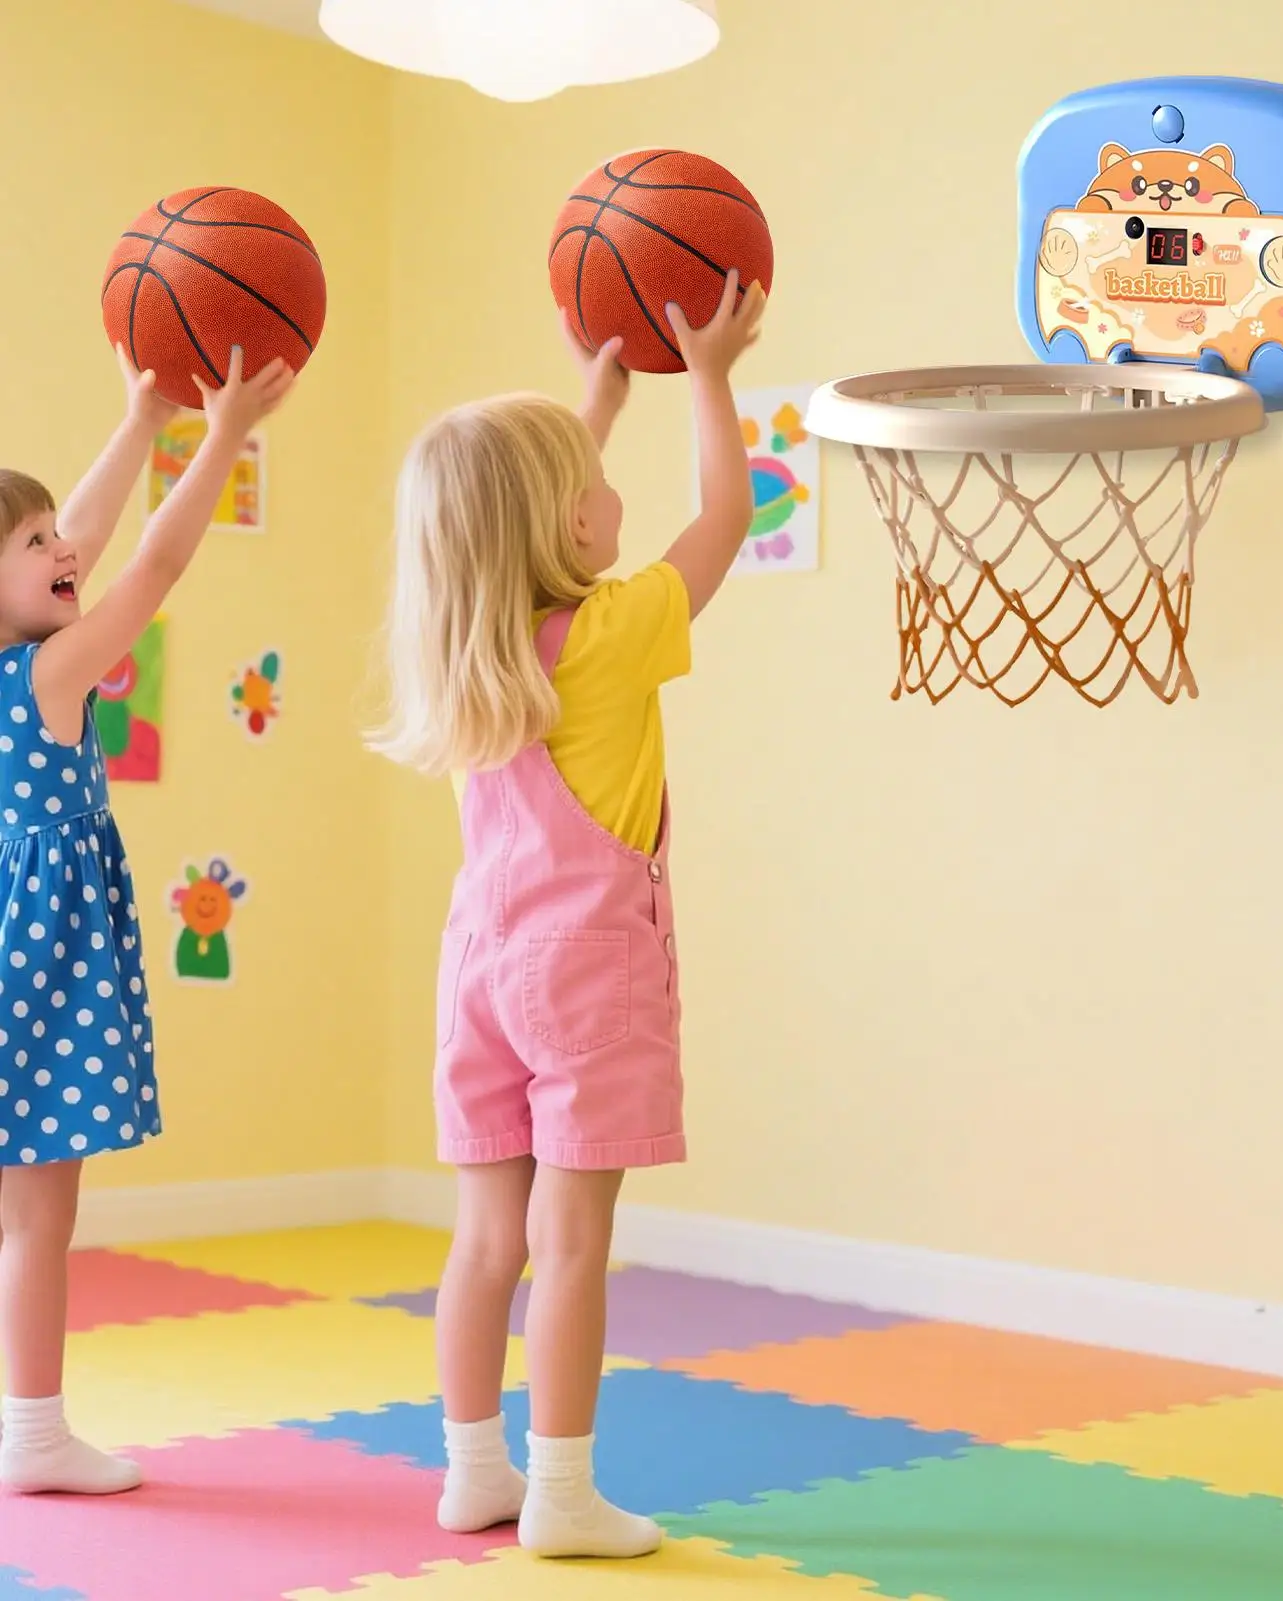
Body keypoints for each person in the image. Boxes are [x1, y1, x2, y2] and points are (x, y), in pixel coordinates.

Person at [369, 270, 764, 1558]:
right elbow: (726, 512)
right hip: (590, 968)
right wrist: (708, 372)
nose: (616, 498)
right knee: (573, 1243)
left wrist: (594, 397)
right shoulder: (614, 628)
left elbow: (511, 525)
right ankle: (564, 1490)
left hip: (477, 962)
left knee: (487, 1239)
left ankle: (472, 1468)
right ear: (563, 526)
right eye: (594, 488)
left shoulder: (465, 645)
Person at [0, 346, 295, 1496]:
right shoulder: (49, 677)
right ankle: (31, 1431)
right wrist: (216, 434)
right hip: (42, 964)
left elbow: (81, 533)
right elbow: (153, 564)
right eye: (33, 547)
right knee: (37, 1218)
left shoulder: (22, 663)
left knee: (19, 1217)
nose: (65, 548)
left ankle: (27, 1424)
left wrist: (139, 415)